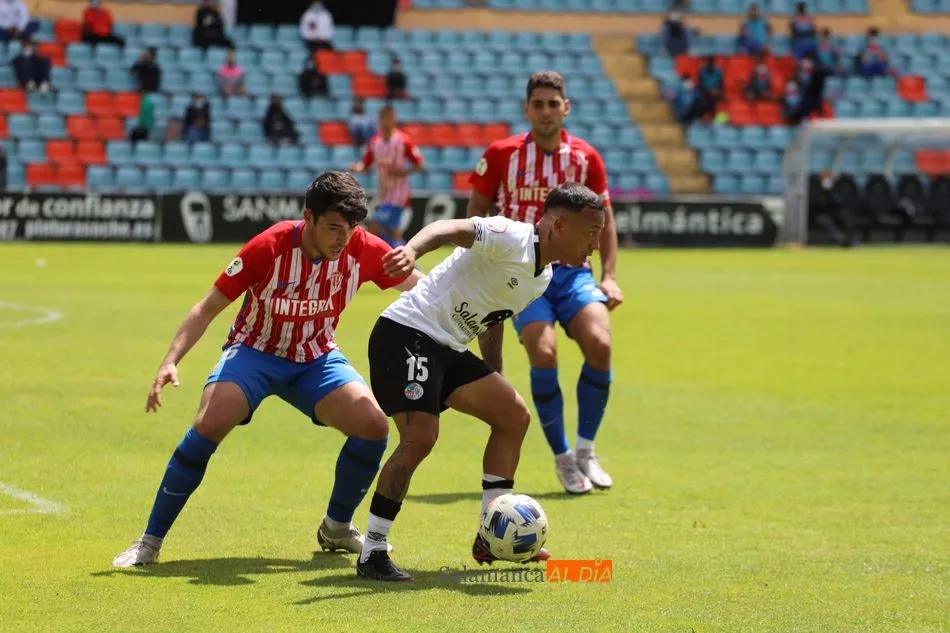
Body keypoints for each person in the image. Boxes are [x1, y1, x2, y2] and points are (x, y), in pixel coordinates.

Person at [112, 171, 423, 568]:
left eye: (349, 229)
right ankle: (149, 543)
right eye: (332, 228)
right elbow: (207, 307)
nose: (342, 239)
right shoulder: (269, 246)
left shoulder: (360, 246)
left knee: (374, 426)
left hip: (316, 357)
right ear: (307, 217)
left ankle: (337, 527)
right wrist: (170, 361)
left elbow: (421, 287)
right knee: (209, 423)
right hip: (255, 353)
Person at [356, 183, 606, 581]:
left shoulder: (541, 278)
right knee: (421, 437)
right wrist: (412, 251)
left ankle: (491, 536)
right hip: (407, 332)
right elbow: (448, 227)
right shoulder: (513, 237)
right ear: (558, 225)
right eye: (592, 232)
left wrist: (493, 372)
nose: (596, 243)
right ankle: (373, 550)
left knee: (513, 415)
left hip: (448, 346)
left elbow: (493, 318)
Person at [467, 71, 623, 495]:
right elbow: (476, 212)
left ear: (565, 108)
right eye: (538, 104)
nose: (546, 111)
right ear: (527, 109)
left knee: (601, 345)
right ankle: (562, 456)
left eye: (553, 103)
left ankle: (586, 451)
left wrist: (609, 275)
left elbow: (604, 221)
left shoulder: (586, 157)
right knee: (543, 349)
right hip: (524, 273)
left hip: (572, 272)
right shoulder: (501, 154)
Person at [349, 104, 424, 248]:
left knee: (374, 226)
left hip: (399, 195)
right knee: (393, 233)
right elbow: (365, 166)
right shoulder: (375, 143)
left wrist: (403, 172)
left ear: (395, 119)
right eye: (384, 117)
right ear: (379, 119)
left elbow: (420, 165)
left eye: (390, 117)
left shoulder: (404, 141)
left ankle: (392, 257)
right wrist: (355, 168)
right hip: (384, 194)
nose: (387, 120)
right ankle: (408, 261)